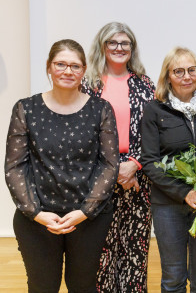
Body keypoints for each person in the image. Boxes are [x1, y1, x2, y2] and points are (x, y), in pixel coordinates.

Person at [5, 39, 119, 292]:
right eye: (61, 64)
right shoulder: (26, 108)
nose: (68, 71)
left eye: (75, 66)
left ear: (84, 70)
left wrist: (85, 211)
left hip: (88, 218)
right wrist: (36, 213)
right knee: (42, 286)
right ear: (48, 66)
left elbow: (110, 164)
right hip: (38, 219)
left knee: (83, 286)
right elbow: (15, 166)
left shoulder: (101, 109)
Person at [141, 47, 196, 292]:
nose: (187, 76)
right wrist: (185, 193)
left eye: (192, 70)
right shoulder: (155, 110)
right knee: (173, 278)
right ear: (168, 77)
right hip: (168, 205)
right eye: (179, 71)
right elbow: (149, 162)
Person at [82, 22, 155, 292]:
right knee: (101, 253)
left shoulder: (145, 84)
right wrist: (115, 171)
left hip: (137, 178)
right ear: (102, 46)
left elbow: (153, 132)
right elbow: (81, 134)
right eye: (112, 42)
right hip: (98, 178)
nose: (119, 48)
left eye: (125, 43)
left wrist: (133, 165)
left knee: (134, 250)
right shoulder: (87, 86)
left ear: (132, 49)